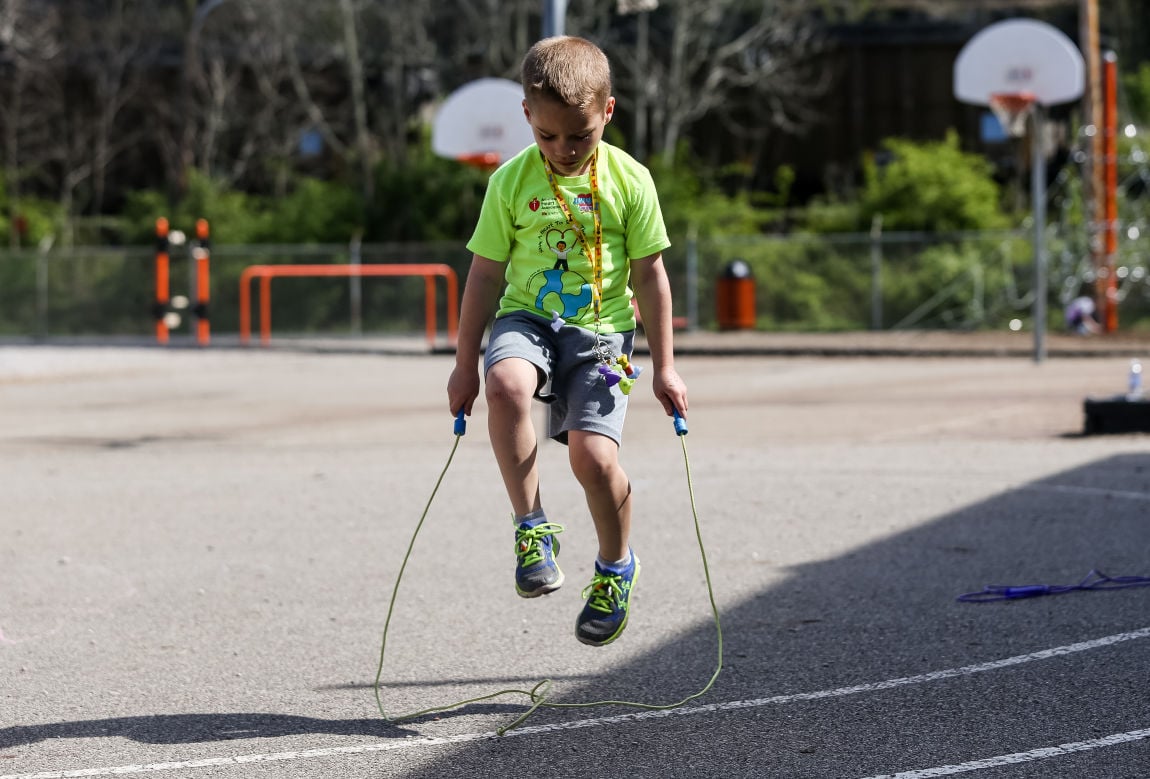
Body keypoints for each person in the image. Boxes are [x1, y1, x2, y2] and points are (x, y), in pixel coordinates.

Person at [447, 35, 688, 647]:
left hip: (604, 331)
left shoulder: (630, 181)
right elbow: (483, 273)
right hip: (526, 316)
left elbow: (651, 276)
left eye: (578, 136)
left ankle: (614, 568)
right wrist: (462, 364)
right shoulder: (510, 182)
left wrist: (666, 369)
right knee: (505, 385)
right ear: (527, 115)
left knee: (593, 459)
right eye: (547, 136)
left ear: (607, 111)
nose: (562, 150)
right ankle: (532, 527)